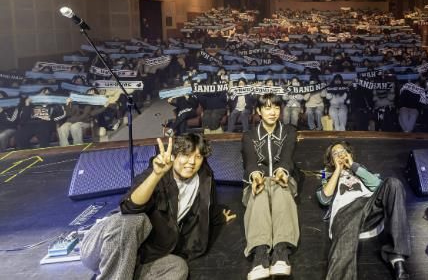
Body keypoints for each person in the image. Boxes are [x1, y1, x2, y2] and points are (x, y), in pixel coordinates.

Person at [80, 133, 236, 279]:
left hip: (140, 256)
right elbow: (130, 207)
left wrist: (218, 216)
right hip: (104, 247)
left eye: (198, 156)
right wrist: (156, 175)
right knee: (136, 221)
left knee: (178, 268)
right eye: (186, 155)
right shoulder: (158, 173)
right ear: (173, 156)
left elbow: (206, 204)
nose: (192, 162)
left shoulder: (204, 177)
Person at [317, 142, 411, 280]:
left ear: (349, 154)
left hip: (369, 206)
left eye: (342, 151)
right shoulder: (327, 174)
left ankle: (397, 259)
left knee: (393, 183)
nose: (340, 155)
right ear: (331, 160)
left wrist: (353, 166)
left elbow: (378, 185)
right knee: (342, 252)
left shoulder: (360, 169)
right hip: (345, 211)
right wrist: (337, 170)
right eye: (335, 153)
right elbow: (324, 198)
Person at [241, 93, 299, 280]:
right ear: (259, 111)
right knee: (260, 192)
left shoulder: (289, 131)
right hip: (257, 182)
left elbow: (287, 156)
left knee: (280, 190)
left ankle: (281, 251)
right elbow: (250, 161)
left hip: (282, 179)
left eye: (276, 108)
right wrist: (256, 176)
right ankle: (260, 254)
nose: (272, 112)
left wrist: (282, 171)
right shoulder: (249, 135)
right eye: (267, 108)